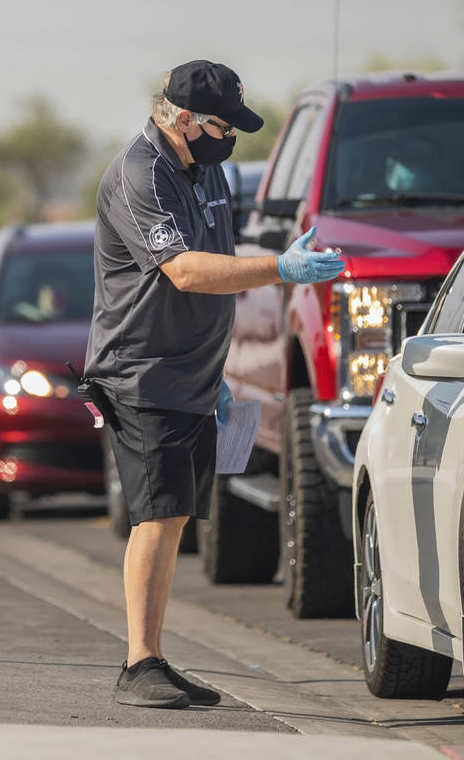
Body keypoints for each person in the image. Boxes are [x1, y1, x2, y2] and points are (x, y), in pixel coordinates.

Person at [83, 60, 346, 709]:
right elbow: (186, 271)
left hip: (193, 377)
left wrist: (221, 372)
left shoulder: (210, 172)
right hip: (141, 372)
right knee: (159, 513)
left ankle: (152, 656)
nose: (231, 139)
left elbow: (222, 268)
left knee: (173, 518)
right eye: (222, 127)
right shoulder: (140, 174)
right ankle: (138, 664)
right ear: (182, 118)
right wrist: (281, 268)